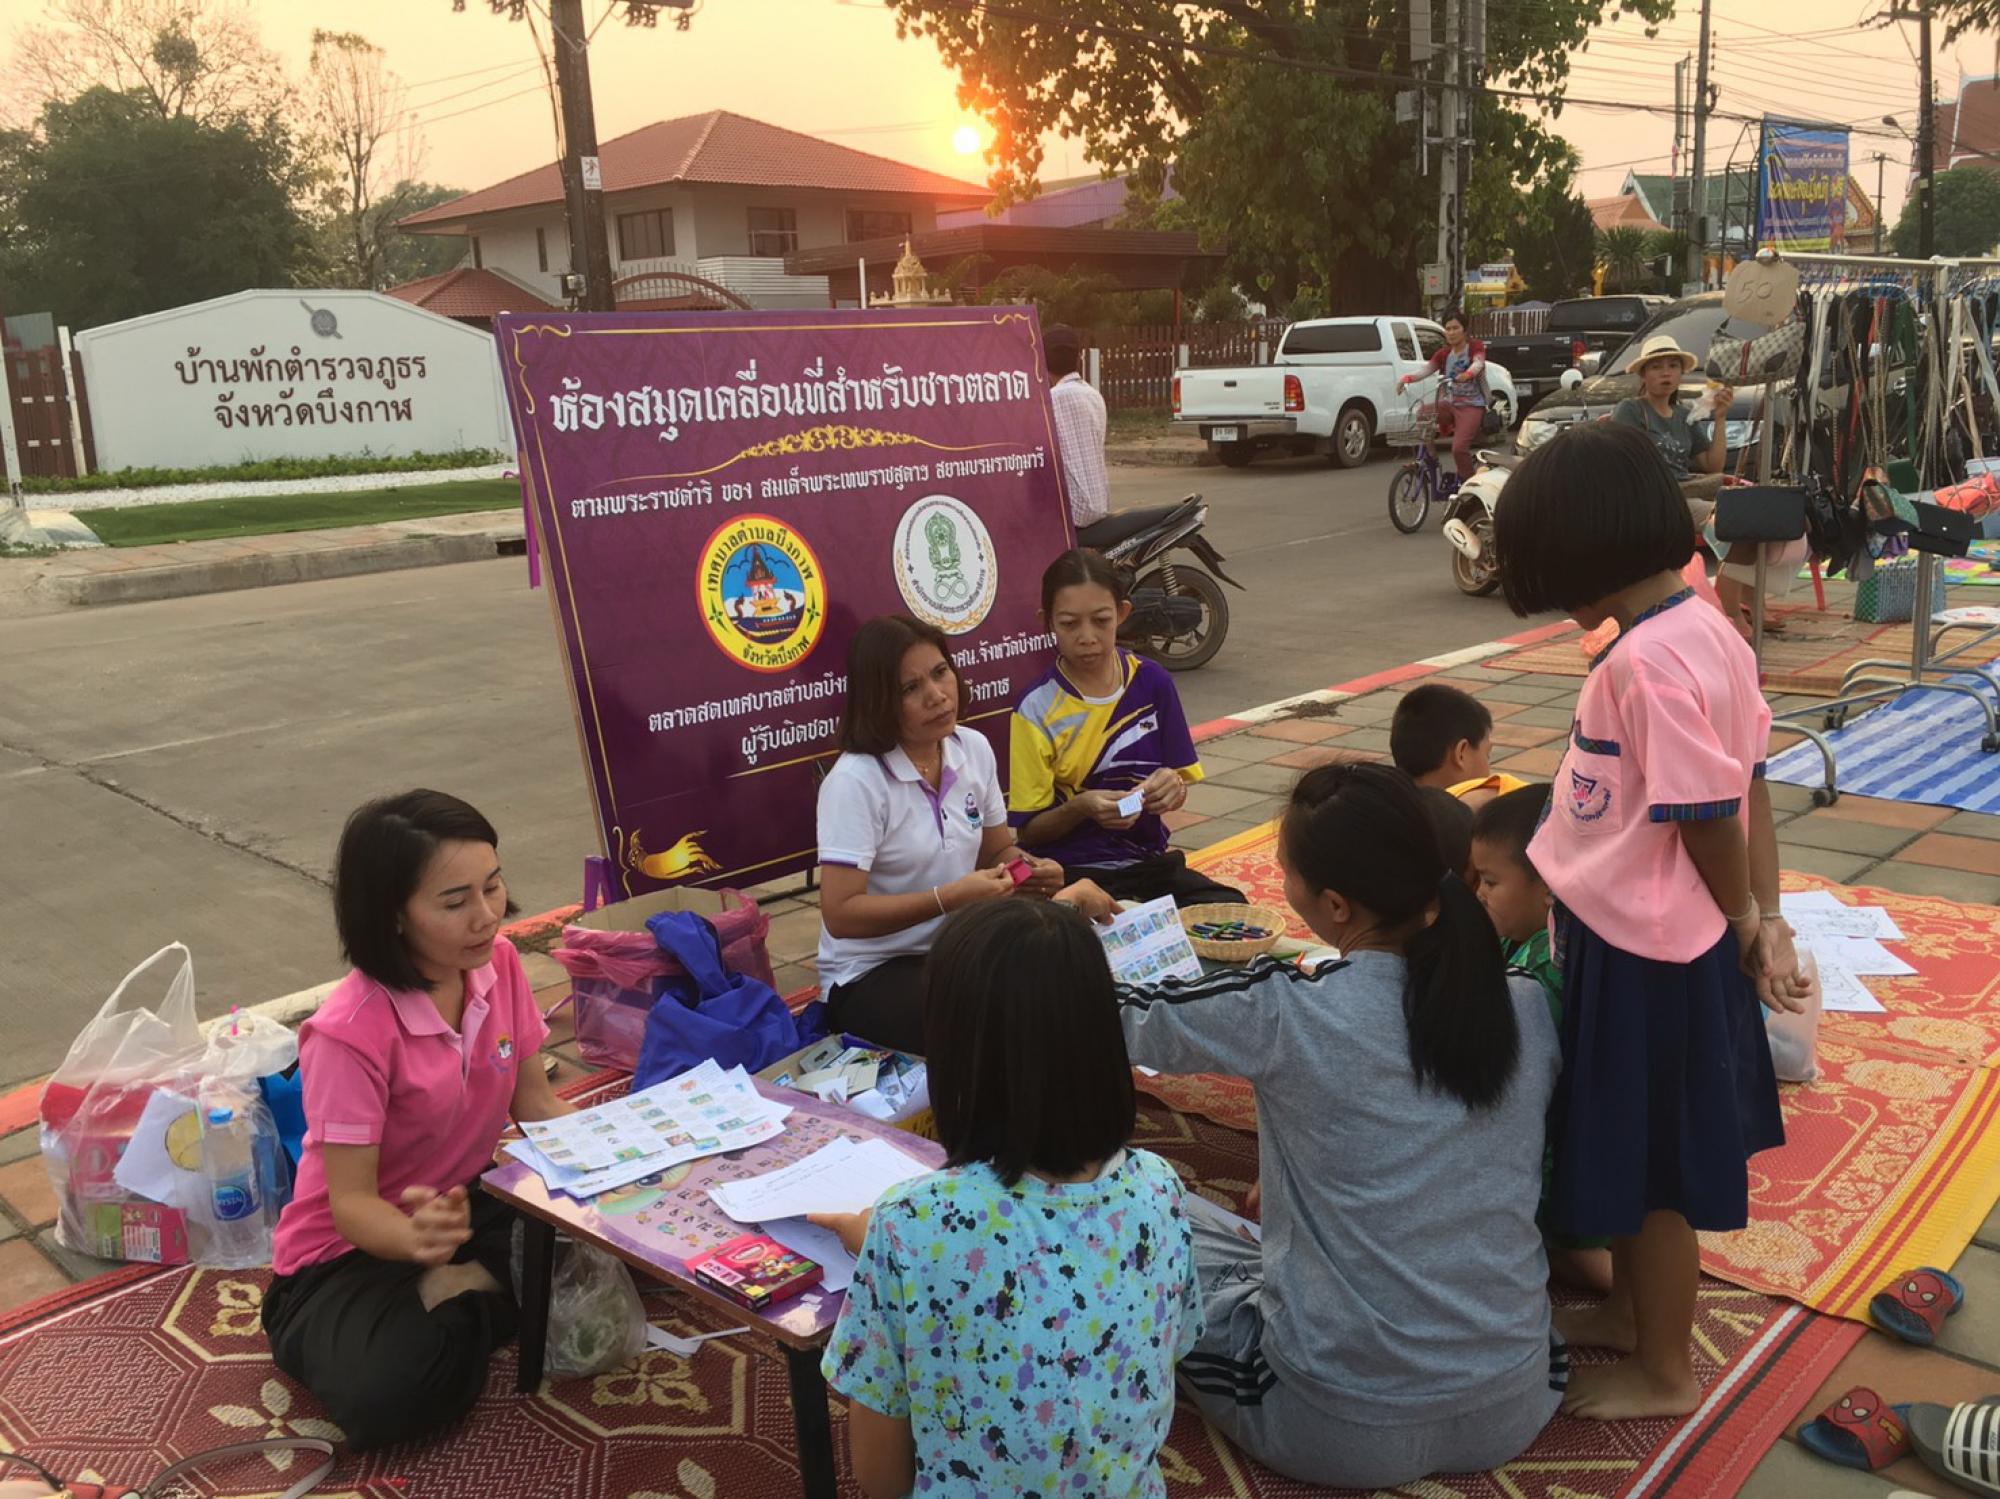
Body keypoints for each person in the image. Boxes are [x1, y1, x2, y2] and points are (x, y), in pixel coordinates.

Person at [1119, 762, 1563, 1490]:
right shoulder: (1525, 1003)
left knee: (1138, 1221)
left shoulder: (1288, 1010)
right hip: (1516, 1397)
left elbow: (1112, 1016)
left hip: (1335, 1419)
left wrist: (1063, 926)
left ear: (1333, 905)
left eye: (1285, 872)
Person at [1492, 422, 1808, 1421]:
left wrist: (1749, 916)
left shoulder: (1642, 663)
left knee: (1656, 1169)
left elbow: (1711, 810)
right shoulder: (1709, 629)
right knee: (1629, 1146)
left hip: (1651, 957)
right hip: (1652, 937)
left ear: (1573, 558)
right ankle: (1630, 1311)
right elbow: (1754, 783)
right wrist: (1763, 914)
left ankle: (1666, 1370)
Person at [814, 898, 1203, 1499]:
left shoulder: (908, 1223)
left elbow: (880, 1475)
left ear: (956, 1051)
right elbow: (1157, 1349)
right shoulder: (1161, 1186)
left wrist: (891, 1254)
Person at [262, 790, 573, 1449]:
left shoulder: (500, 965)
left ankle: (465, 1287)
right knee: (388, 1397)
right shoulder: (348, 1033)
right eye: (455, 902)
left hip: (462, 1208)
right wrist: (415, 1242)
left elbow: (537, 1107)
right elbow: (350, 1204)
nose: (487, 916)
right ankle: (483, 1288)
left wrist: (638, 1161)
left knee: (635, 1245)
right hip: (347, 1254)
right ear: (392, 915)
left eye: (492, 886)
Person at [816, 614, 1065, 1054]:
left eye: (940, 672)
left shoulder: (973, 748)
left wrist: (1029, 871)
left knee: (1062, 971)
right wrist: (947, 898)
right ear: (878, 701)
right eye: (910, 688)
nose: (937, 695)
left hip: (957, 946)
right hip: (871, 971)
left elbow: (996, 850)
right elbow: (841, 914)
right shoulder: (855, 781)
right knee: (991, 1017)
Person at [1009, 548, 1246, 908]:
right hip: (1072, 871)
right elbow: (1029, 831)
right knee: (1100, 926)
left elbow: (1176, 783)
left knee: (1229, 908)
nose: (1087, 636)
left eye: (1101, 620)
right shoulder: (1035, 708)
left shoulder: (1153, 682)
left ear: (1122, 613)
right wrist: (1081, 807)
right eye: (1070, 624)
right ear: (1048, 622)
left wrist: (1172, 787)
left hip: (1146, 862)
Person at [1471, 783, 1614, 1296]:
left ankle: (1626, 1289)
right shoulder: (1537, 937)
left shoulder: (1543, 972)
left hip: (1569, 1156)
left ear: (1550, 885)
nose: (1479, 893)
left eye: (1491, 881)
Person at [1396, 309, 1489, 481]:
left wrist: (1467, 374)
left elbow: (1478, 364)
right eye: (1448, 328)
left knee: (1459, 449)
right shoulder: (1444, 354)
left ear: (1464, 330)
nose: (1451, 332)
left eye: (1455, 328)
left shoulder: (1475, 347)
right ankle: (1431, 457)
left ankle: (1469, 482)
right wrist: (1406, 379)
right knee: (1423, 413)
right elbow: (1425, 370)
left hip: (1471, 406)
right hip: (1450, 404)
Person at [1045, 324, 1110, 535]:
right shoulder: (1094, 395)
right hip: (1100, 504)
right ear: (1079, 357)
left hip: (1074, 512)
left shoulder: (1051, 401)